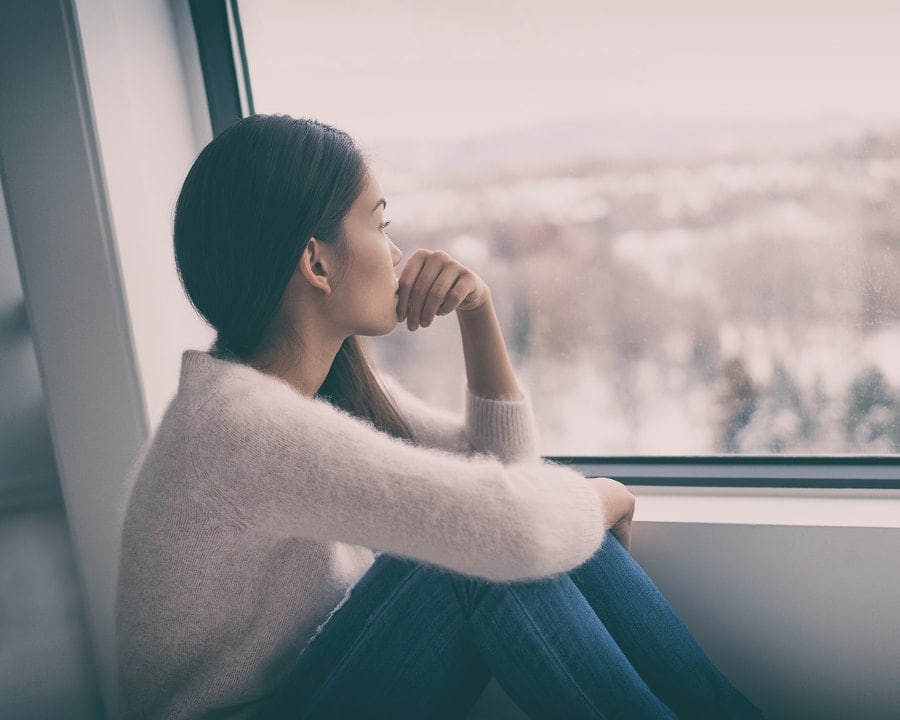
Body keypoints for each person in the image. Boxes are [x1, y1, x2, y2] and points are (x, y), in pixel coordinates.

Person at [116, 113, 764, 720]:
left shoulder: (313, 390)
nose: (396, 252)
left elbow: (502, 478)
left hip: (317, 684)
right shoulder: (240, 427)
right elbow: (512, 530)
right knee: (478, 553)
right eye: (378, 224)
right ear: (316, 263)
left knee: (501, 534)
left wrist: (479, 315)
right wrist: (605, 498)